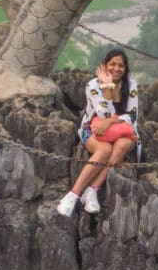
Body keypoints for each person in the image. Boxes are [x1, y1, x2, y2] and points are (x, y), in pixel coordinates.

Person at [58, 47, 141, 216]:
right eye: (112, 64)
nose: (116, 69)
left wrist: (109, 122)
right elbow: (104, 112)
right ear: (105, 65)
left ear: (125, 69)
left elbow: (132, 115)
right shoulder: (94, 85)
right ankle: (73, 195)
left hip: (121, 132)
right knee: (104, 150)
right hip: (93, 130)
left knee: (123, 144)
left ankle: (93, 189)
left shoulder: (131, 85)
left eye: (121, 66)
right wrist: (108, 86)